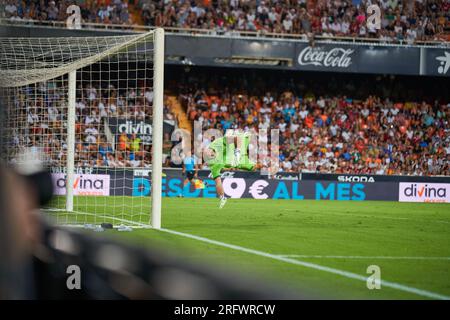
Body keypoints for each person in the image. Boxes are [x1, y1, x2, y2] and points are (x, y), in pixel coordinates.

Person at [204, 130, 260, 209]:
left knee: (241, 138)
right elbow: (218, 182)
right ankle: (223, 197)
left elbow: (237, 138)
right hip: (234, 159)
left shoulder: (219, 142)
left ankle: (244, 137)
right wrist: (222, 196)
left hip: (237, 151)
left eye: (211, 155)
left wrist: (237, 153)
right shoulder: (213, 163)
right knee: (253, 167)